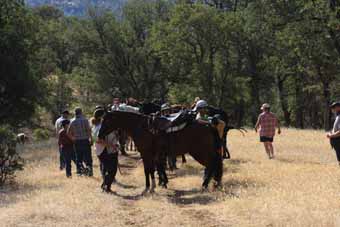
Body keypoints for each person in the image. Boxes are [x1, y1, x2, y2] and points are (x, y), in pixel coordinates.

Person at [92, 109, 119, 193]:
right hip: (106, 150)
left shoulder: (95, 126)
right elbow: (99, 140)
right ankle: (105, 185)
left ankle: (107, 187)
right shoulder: (101, 127)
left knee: (106, 169)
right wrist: (112, 145)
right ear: (102, 116)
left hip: (100, 151)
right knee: (112, 170)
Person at [68, 107, 93, 176]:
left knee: (79, 158)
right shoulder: (85, 120)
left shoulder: (72, 121)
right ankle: (89, 172)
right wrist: (91, 139)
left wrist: (73, 139)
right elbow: (89, 130)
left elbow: (68, 133)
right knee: (88, 157)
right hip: (85, 140)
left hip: (77, 141)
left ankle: (80, 172)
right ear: (81, 112)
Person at [327, 101, 340, 165]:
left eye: (334, 107)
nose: (333, 109)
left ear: (338, 107)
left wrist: (331, 135)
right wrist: (331, 132)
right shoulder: (338, 116)